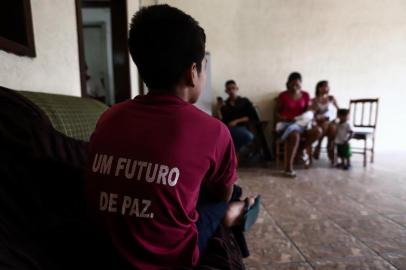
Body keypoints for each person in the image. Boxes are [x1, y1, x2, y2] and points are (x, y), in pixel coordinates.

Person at [85, 5, 259, 270]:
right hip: (170, 259)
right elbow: (219, 193)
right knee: (226, 193)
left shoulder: (110, 116)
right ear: (192, 72)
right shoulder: (213, 131)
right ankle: (234, 213)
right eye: (203, 68)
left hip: (105, 249)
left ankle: (237, 209)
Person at [275, 72, 322, 177]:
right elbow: (277, 113)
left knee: (318, 130)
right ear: (288, 83)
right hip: (287, 123)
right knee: (294, 135)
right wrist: (284, 117)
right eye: (293, 84)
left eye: (298, 84)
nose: (295, 86)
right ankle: (288, 168)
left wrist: (312, 117)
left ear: (301, 84)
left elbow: (309, 111)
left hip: (302, 123)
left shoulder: (305, 95)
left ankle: (300, 149)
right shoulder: (283, 95)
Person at [216, 80, 257, 154]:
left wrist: (236, 121)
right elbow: (221, 120)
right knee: (221, 135)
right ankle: (233, 151)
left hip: (244, 127)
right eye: (229, 89)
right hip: (229, 128)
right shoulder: (225, 105)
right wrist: (219, 109)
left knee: (248, 136)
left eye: (233, 88)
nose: (231, 91)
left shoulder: (244, 101)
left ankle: (233, 151)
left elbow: (251, 116)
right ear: (226, 91)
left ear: (237, 88)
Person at [311, 80, 339, 163]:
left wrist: (337, 118)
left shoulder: (331, 98)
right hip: (320, 121)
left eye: (328, 86)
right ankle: (326, 148)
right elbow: (312, 114)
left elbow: (338, 110)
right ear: (319, 88)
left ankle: (324, 146)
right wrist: (319, 117)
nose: (327, 88)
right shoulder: (314, 100)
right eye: (325, 86)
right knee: (325, 125)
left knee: (333, 128)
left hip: (332, 121)